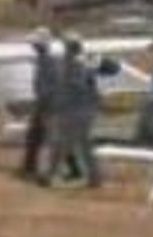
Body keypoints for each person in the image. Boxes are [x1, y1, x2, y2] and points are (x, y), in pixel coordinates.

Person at [44, 36, 102, 188]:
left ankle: (49, 176)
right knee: (84, 145)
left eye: (67, 47)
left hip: (73, 111)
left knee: (60, 144)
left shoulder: (74, 66)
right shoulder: (80, 65)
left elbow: (77, 86)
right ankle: (95, 178)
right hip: (80, 111)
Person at [19, 28, 55, 180]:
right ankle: (29, 168)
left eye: (35, 44)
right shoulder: (43, 60)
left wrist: (44, 106)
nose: (32, 46)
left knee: (42, 138)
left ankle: (39, 170)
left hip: (46, 105)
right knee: (34, 137)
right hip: (43, 103)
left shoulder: (47, 61)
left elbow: (49, 86)